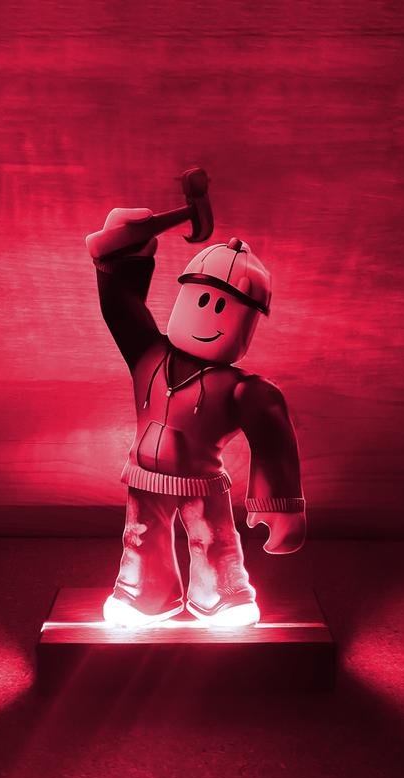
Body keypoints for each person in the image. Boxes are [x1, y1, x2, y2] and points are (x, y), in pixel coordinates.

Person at [86, 208, 306, 626]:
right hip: (143, 476)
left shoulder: (241, 389)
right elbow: (120, 306)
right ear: (186, 295)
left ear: (248, 323)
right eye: (203, 299)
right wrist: (118, 255)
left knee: (213, 539)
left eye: (224, 306)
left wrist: (281, 505)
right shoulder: (147, 355)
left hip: (202, 481)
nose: (210, 314)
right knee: (140, 538)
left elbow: (272, 441)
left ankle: (222, 596)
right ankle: (144, 596)